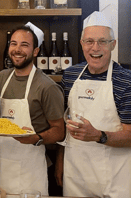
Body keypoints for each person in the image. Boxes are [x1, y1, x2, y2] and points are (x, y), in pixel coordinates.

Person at [0, 23, 65, 195]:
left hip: (30, 168)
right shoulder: (3, 77)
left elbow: (59, 132)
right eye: (13, 43)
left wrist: (36, 138)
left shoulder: (47, 87)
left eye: (24, 45)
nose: (17, 49)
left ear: (35, 51)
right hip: (1, 163)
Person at [55, 11, 131, 198]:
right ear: (82, 44)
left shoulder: (126, 81)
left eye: (102, 41)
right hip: (76, 176)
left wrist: (98, 135)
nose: (95, 48)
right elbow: (64, 123)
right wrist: (60, 160)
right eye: (89, 41)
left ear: (113, 45)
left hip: (114, 179)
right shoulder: (71, 75)